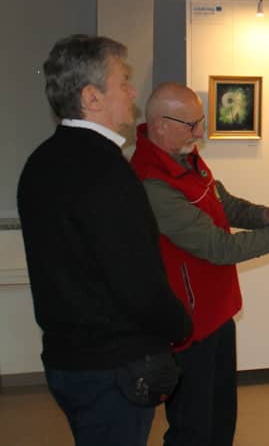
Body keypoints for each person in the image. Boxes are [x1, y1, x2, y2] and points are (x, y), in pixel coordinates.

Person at [17, 35, 193, 446]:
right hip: (114, 366)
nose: (133, 92)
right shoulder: (105, 171)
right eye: (123, 81)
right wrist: (179, 324)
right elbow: (135, 279)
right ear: (91, 97)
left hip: (68, 359)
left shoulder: (41, 162)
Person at [129, 82, 269, 446]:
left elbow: (221, 202)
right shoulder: (152, 181)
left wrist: (267, 215)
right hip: (187, 324)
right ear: (160, 125)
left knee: (221, 417)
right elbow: (218, 248)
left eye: (201, 122)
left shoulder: (183, 156)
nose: (200, 133)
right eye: (191, 125)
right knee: (193, 428)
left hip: (216, 313)